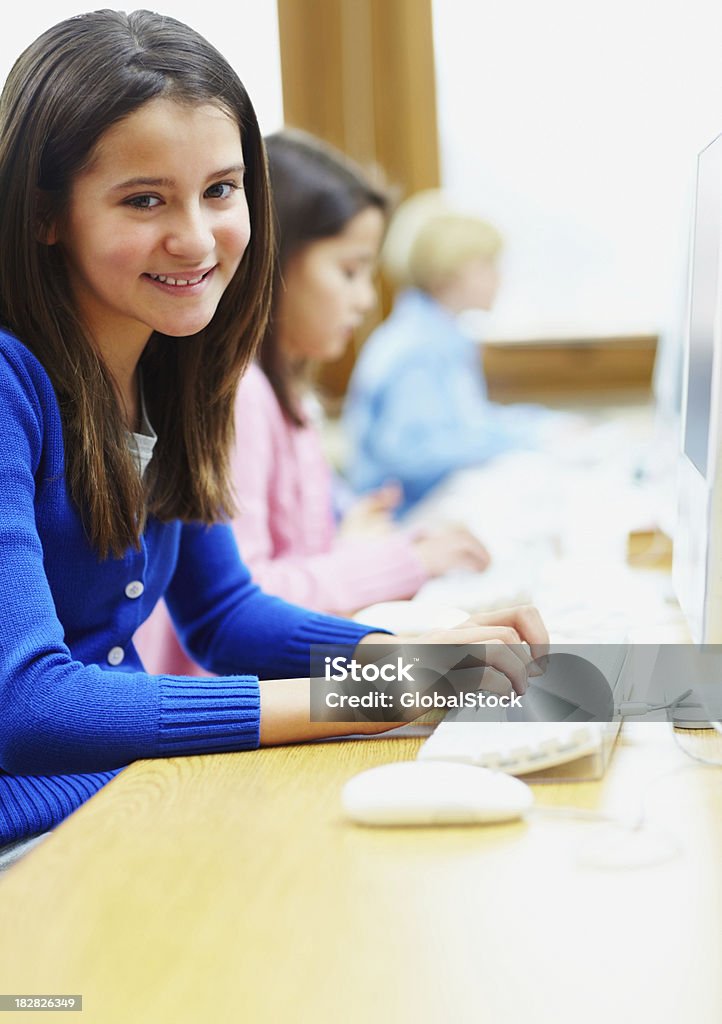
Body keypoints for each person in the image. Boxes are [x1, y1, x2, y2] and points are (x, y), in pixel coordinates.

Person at [0, 10, 547, 860]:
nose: (195, 237)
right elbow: (27, 706)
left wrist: (410, 652)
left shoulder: (176, 368)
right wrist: (366, 691)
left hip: (126, 803)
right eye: (145, 200)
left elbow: (223, 614)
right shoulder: (8, 386)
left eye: (220, 190)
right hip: (34, 844)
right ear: (44, 216)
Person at [136, 131, 491, 676]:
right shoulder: (239, 396)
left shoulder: (290, 398)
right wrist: (406, 561)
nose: (367, 298)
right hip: (227, 703)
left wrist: (361, 536)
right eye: (349, 270)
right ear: (273, 264)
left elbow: (307, 545)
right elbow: (250, 597)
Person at [342, 189, 557, 513]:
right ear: (449, 272)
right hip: (407, 520)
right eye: (488, 265)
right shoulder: (416, 351)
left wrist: (541, 426)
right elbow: (415, 452)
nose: (500, 278)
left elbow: (465, 425)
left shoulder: (440, 337)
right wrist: (531, 440)